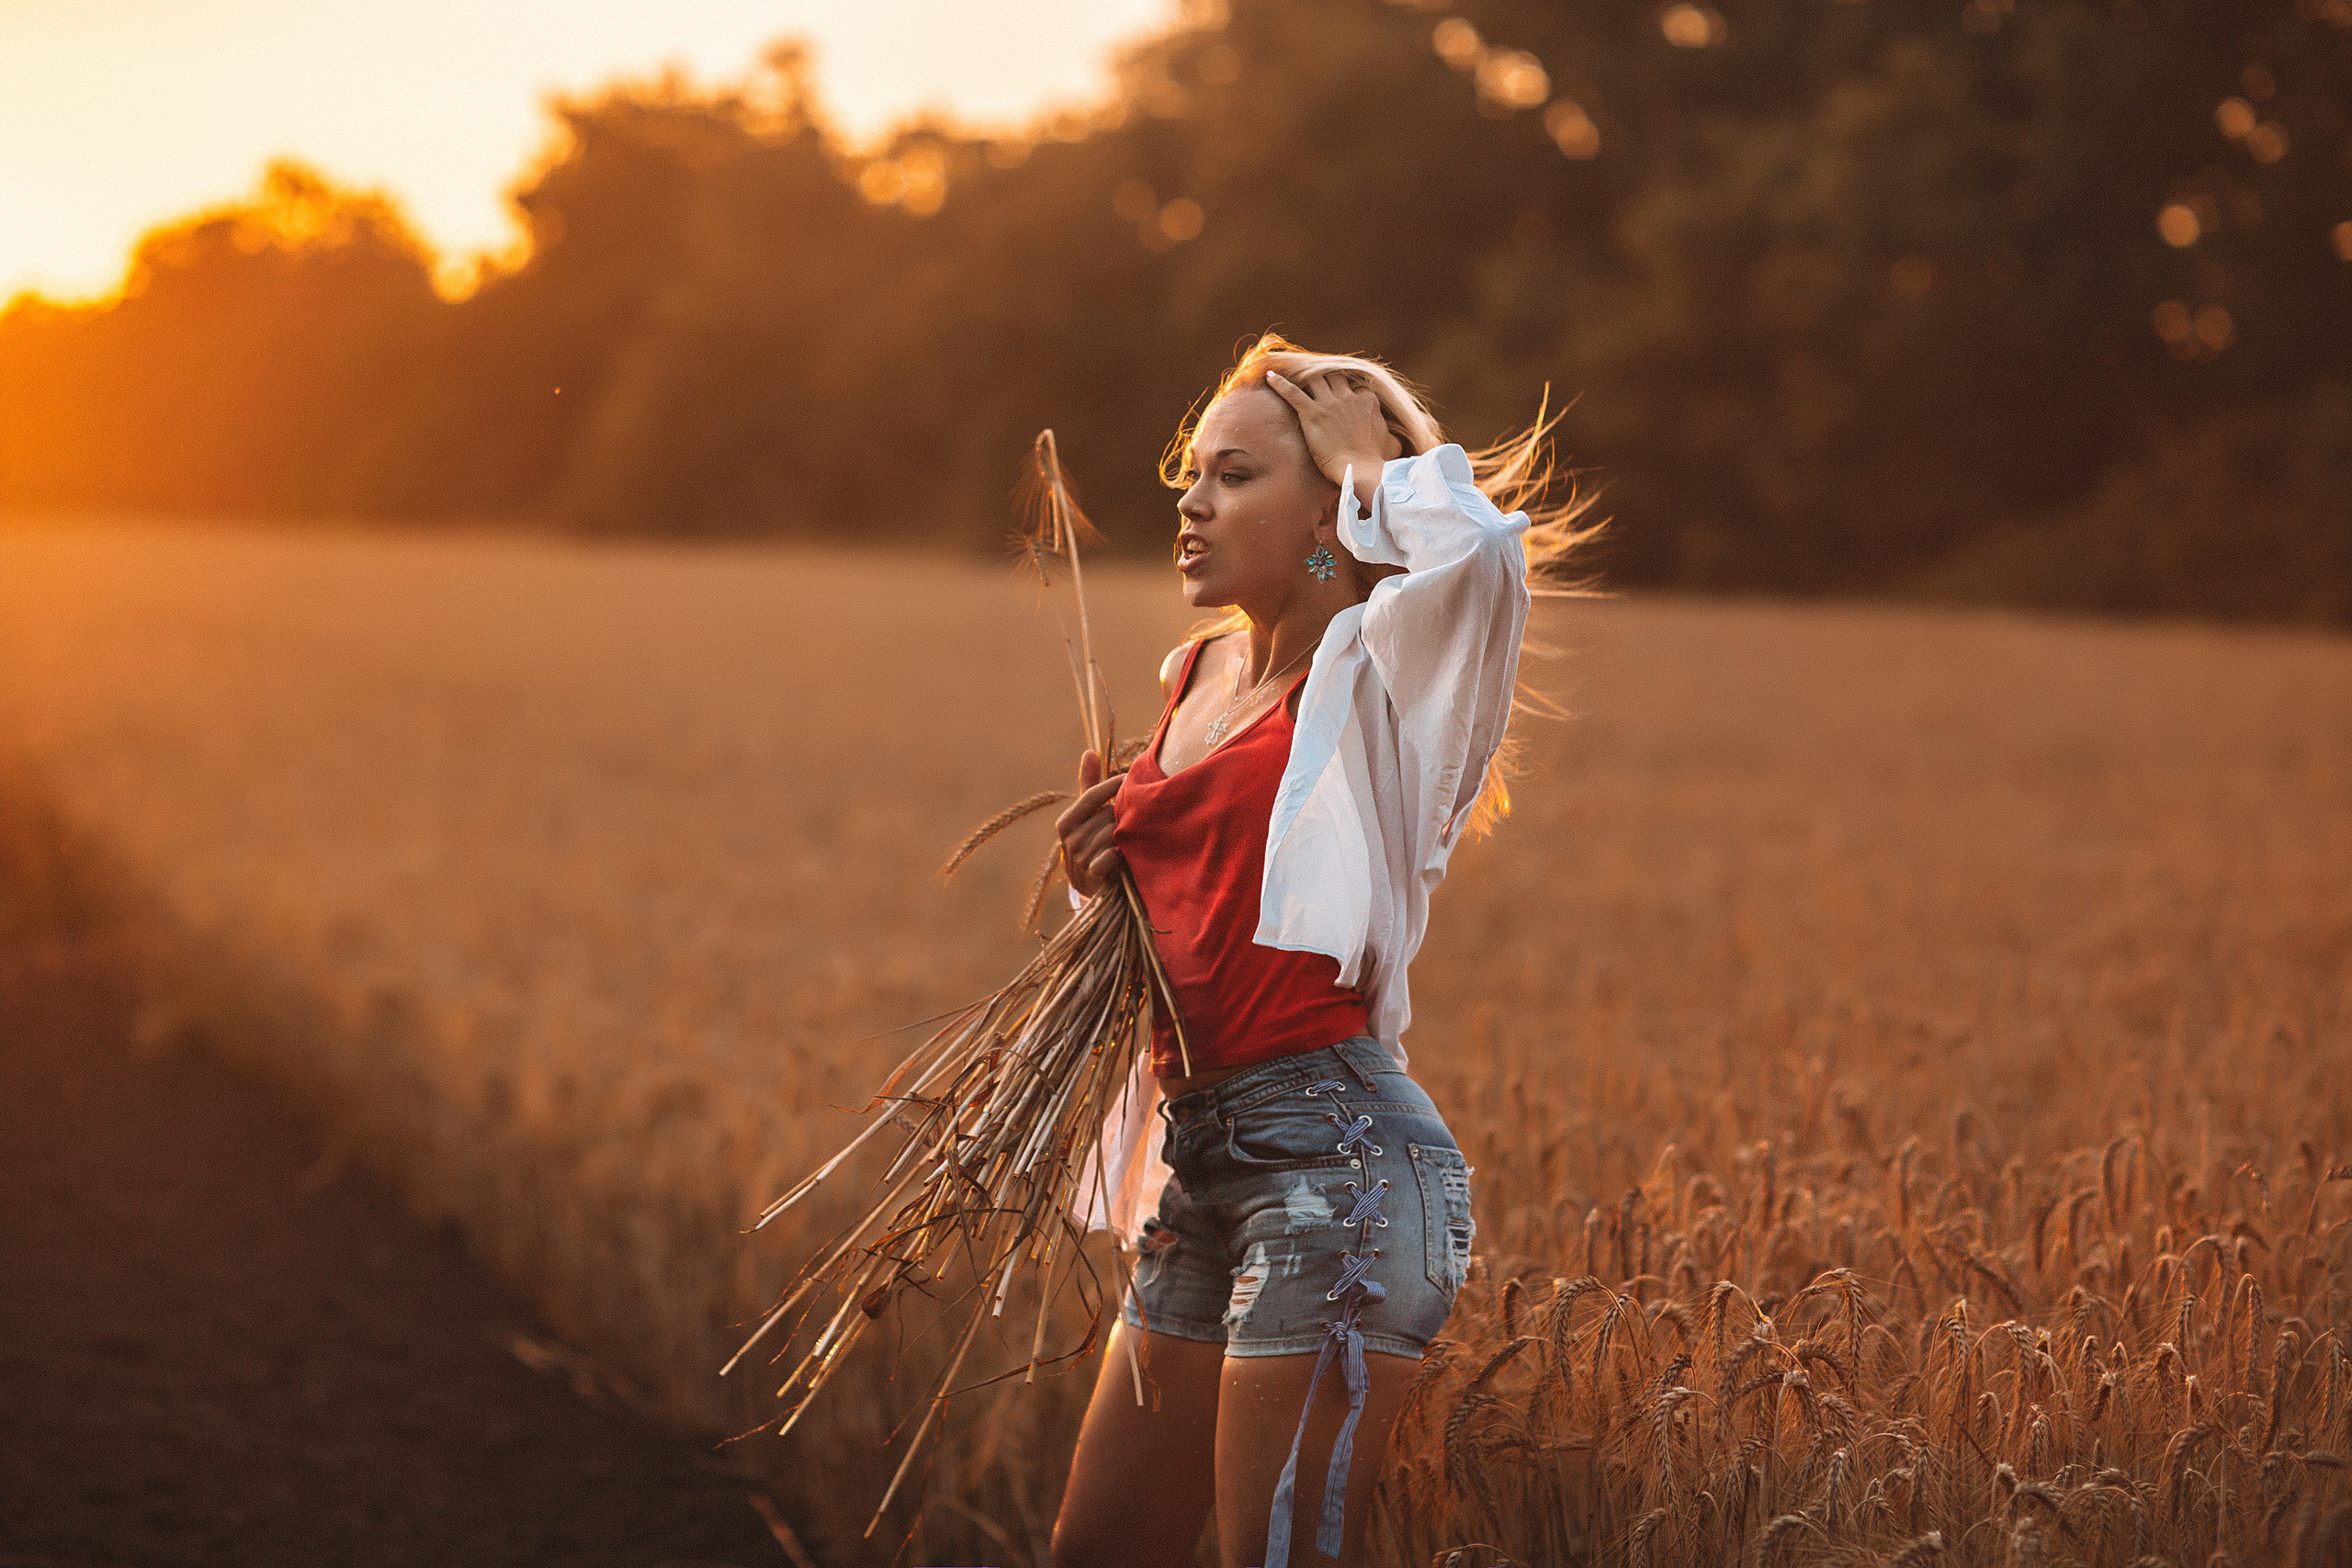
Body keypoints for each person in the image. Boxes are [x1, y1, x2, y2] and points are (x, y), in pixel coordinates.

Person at [1047, 333, 1589, 1568]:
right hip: (1203, 1173)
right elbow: (1194, 945)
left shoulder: (1382, 673)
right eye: (1192, 472)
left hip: (1340, 1171)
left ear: (1328, 512)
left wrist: (1372, 461)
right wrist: (1100, 888)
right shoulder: (1196, 675)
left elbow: (1484, 570)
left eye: (1234, 475)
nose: (1191, 499)